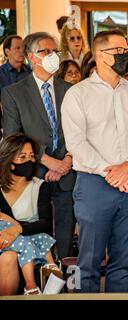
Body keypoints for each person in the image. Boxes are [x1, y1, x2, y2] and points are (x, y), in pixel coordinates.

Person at [61, 30, 128, 293]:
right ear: (101, 55)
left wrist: (127, 168)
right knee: (87, 261)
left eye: (127, 51)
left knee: (123, 262)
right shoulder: (78, 94)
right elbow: (76, 144)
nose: (127, 56)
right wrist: (109, 173)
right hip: (93, 185)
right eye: (120, 51)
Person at [1, 32, 76, 260]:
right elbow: (14, 136)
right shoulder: (14, 93)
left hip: (67, 172)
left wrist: (67, 160)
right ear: (32, 57)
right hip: (33, 173)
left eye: (55, 51)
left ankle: (61, 281)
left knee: (65, 232)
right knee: (37, 230)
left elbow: (81, 130)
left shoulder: (71, 90)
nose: (53, 55)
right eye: (46, 51)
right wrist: (46, 159)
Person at [0, 133, 60, 295]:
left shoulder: (39, 187)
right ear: (9, 161)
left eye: (32, 156)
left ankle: (30, 286)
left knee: (8, 257)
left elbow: (45, 222)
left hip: (32, 245)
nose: (29, 161)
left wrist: (17, 229)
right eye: (22, 157)